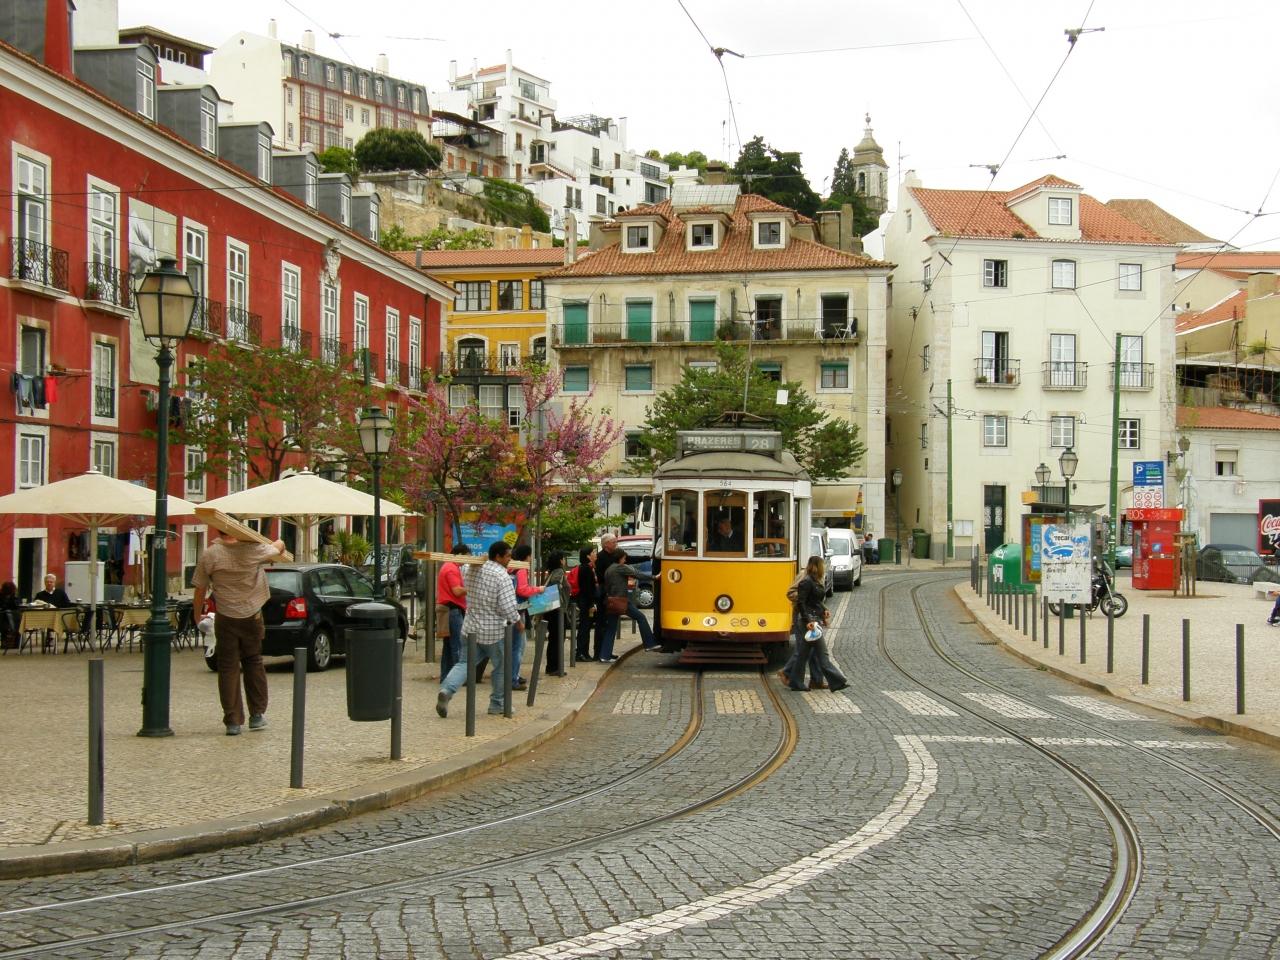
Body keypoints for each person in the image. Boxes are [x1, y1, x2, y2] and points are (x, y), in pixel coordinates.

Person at [191, 531, 287, 736]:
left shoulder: (210, 554)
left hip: (225, 615)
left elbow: (199, 588)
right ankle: (257, 714)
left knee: (228, 667)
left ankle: (232, 721)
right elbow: (278, 548)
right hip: (252, 614)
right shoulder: (253, 549)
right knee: (253, 661)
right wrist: (278, 541)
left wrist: (197, 617)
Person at [436, 540, 524, 718]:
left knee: (464, 663)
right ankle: (497, 703)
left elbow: (464, 570)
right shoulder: (502, 576)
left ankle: (446, 690)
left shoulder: (471, 569)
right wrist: (518, 621)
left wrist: (479, 561)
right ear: (498, 557)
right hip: (493, 631)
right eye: (508, 556)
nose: (510, 559)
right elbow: (507, 606)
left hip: (470, 627)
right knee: (502, 666)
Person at [784, 555, 848, 692]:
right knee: (819, 653)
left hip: (814, 619)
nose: (824, 567)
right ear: (817, 566)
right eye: (822, 564)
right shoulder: (806, 581)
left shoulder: (816, 580)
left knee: (804, 654)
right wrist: (808, 621)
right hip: (809, 622)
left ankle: (798, 681)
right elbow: (801, 603)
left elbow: (816, 601)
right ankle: (836, 681)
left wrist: (824, 610)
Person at [598, 548, 658, 660]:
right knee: (641, 617)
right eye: (624, 558)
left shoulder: (609, 569)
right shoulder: (620, 567)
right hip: (621, 600)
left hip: (611, 601)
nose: (625, 560)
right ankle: (649, 644)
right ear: (620, 558)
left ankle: (604, 656)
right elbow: (637, 574)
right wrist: (654, 577)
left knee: (611, 629)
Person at [509, 544, 544, 690]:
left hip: (510, 609)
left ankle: (514, 674)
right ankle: (513, 678)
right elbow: (522, 590)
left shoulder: (510, 567)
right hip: (518, 610)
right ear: (527, 556)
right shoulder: (522, 569)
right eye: (530, 556)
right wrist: (538, 589)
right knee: (518, 647)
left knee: (515, 645)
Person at [436, 544, 470, 678]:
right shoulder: (452, 568)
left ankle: (446, 676)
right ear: (460, 555)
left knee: (448, 646)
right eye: (466, 558)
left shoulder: (448, 566)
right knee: (457, 645)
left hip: (448, 609)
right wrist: (471, 588)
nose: (466, 562)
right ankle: (458, 677)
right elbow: (457, 591)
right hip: (452, 610)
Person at [541, 551, 567, 674]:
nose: (564, 560)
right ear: (560, 560)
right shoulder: (559, 572)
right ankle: (554, 667)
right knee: (557, 638)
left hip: (550, 609)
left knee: (553, 638)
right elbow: (556, 586)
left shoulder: (551, 572)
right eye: (563, 558)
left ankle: (551, 666)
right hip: (556, 610)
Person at [594, 534, 620, 655]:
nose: (616, 544)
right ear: (606, 544)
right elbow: (601, 576)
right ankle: (599, 651)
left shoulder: (614, 555)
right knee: (601, 623)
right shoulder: (600, 557)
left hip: (611, 593)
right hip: (604, 594)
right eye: (613, 542)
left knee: (609, 623)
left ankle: (606, 651)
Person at [574, 545, 599, 660]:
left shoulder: (586, 567)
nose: (595, 554)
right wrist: (591, 604)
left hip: (584, 601)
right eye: (593, 552)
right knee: (584, 627)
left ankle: (584, 652)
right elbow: (587, 589)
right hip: (586, 602)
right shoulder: (586, 569)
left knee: (586, 627)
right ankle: (581, 653)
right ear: (588, 556)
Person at [0, 581, 18, 649]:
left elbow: (15, 606)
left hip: (6, 619)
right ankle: (13, 631)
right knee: (9, 614)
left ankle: (8, 639)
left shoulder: (13, 596)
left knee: (9, 614)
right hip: (4, 617)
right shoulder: (1, 596)